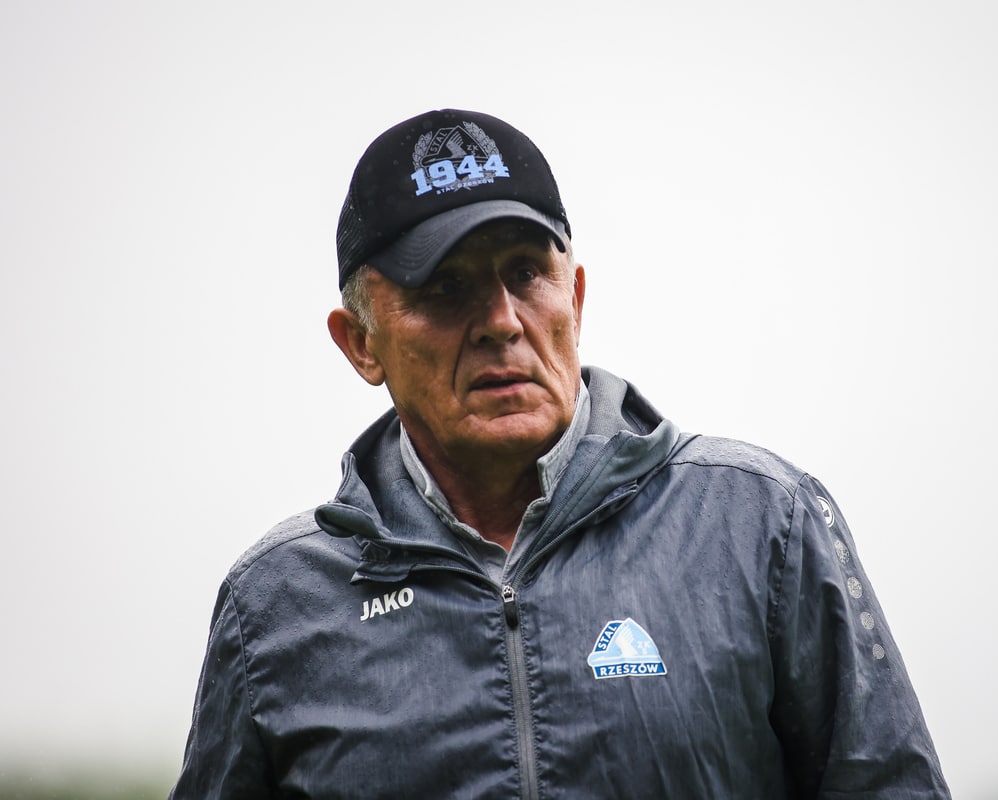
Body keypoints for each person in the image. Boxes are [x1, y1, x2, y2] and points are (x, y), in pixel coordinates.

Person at [171, 109, 951, 799]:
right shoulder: (273, 606)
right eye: (445, 287)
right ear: (360, 343)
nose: (502, 321)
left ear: (574, 298)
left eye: (526, 274)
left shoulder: (760, 523)